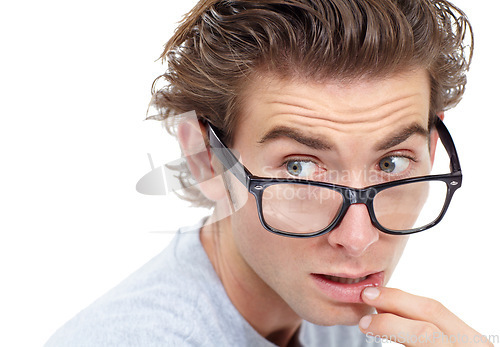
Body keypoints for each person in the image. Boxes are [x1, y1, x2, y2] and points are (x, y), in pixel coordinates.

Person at [46, 0, 492, 346]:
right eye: (299, 169)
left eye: (390, 163)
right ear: (206, 158)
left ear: (432, 150)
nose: (358, 239)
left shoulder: (341, 318)